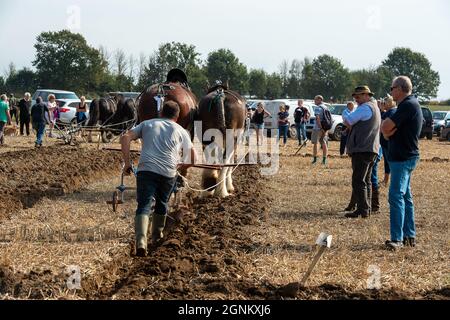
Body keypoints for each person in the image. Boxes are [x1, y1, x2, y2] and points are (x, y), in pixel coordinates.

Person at [120, 101, 196, 257]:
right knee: (162, 202)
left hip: (146, 170)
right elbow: (193, 159)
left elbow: (126, 137)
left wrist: (127, 163)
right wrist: (182, 168)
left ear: (161, 112)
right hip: (168, 173)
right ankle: (156, 236)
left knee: (144, 204)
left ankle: (141, 242)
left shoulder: (147, 124)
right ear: (177, 116)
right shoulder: (181, 130)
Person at [381, 76, 422, 250]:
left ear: (399, 88)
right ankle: (409, 236)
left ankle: (397, 239)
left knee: (396, 196)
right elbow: (387, 129)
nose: (391, 92)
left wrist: (387, 132)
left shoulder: (407, 105)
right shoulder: (410, 104)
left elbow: (385, 127)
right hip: (406, 156)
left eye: (392, 88)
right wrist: (387, 131)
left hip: (402, 158)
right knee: (405, 197)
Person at [343, 86, 381, 219]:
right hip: (371, 149)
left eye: (358, 97)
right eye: (355, 97)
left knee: (359, 180)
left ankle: (362, 209)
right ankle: (366, 208)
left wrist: (345, 114)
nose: (356, 100)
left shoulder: (365, 108)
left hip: (362, 149)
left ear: (366, 95)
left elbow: (348, 120)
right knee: (367, 180)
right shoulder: (374, 107)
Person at [380, 95, 397, 186]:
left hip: (386, 141)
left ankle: (386, 180)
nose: (383, 104)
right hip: (391, 141)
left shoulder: (388, 113)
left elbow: (381, 126)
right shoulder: (394, 111)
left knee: (388, 161)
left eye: (385, 102)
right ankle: (387, 180)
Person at [311, 95, 329, 165]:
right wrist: (324, 129)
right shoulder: (326, 107)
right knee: (324, 143)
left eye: (315, 100)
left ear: (319, 100)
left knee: (315, 143)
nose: (314, 101)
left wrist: (320, 128)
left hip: (317, 128)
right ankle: (324, 160)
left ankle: (315, 160)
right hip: (325, 128)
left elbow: (318, 118)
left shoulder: (317, 108)